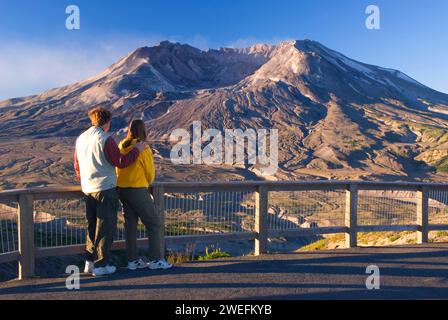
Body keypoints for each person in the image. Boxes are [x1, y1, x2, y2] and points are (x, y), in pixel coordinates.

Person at [74, 107, 146, 277]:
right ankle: (101, 265)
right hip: (105, 188)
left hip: (87, 188)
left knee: (91, 226)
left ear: (93, 120)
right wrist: (137, 150)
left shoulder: (81, 138)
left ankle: (89, 262)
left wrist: (85, 179)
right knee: (105, 227)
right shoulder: (105, 139)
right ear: (107, 122)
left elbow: (76, 165)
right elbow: (120, 161)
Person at [116, 119, 172, 270]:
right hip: (137, 189)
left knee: (131, 226)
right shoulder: (142, 148)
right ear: (143, 131)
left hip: (122, 189)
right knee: (154, 223)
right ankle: (155, 260)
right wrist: (146, 182)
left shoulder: (122, 145)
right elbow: (150, 172)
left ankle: (132, 261)